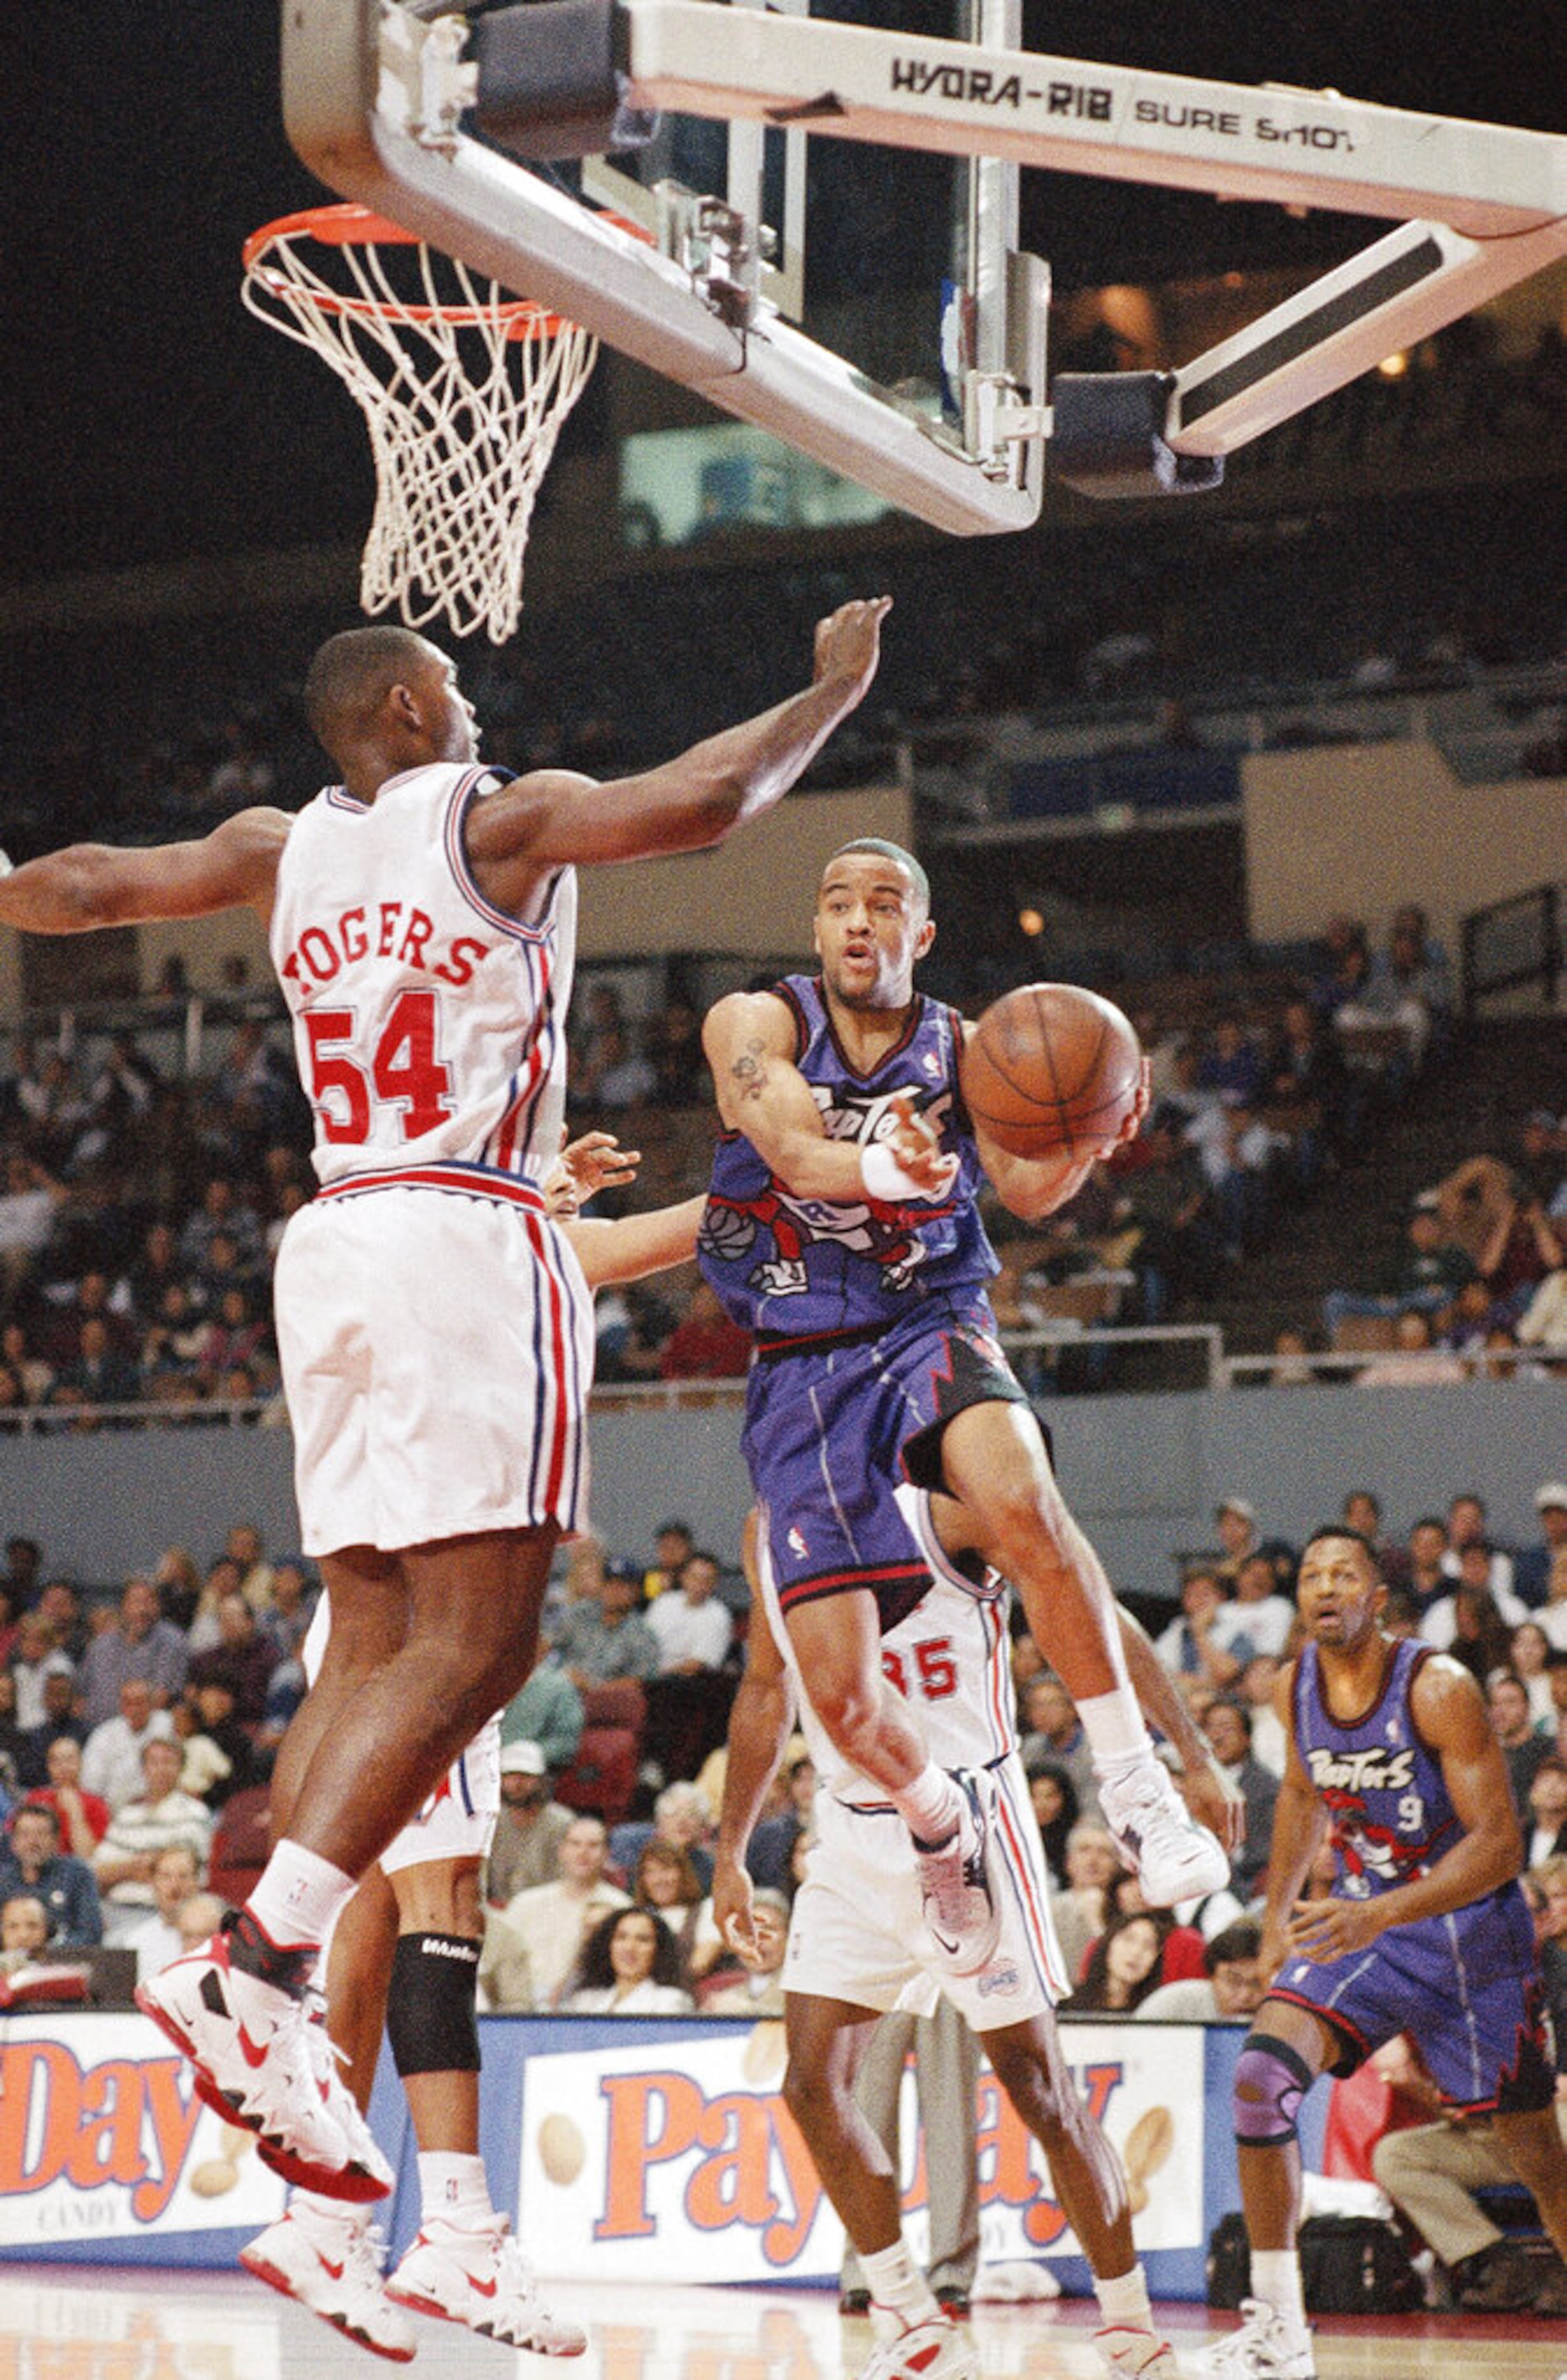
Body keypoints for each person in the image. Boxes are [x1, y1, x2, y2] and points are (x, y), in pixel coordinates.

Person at [0, 602, 894, 2196]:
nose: (478, 704)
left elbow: (84, 887)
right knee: (485, 1641)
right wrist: (827, 694)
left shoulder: (277, 846)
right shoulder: (499, 818)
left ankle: (264, 1988)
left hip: (329, 1236)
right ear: (413, 707)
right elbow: (707, 803)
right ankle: (254, 1962)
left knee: (369, 1627)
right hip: (464, 1227)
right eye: (460, 686)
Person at [697, 839, 1225, 1979]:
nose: (856, 921)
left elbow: (1029, 1188)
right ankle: (941, 1825)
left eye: (884, 904)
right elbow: (787, 1143)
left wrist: (1087, 1135)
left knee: (1023, 1495)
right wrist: (890, 1164)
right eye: (837, 900)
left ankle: (1134, 1785)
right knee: (837, 1697)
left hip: (925, 1319)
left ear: (919, 936)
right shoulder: (756, 1023)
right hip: (799, 1360)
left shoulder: (977, 1047)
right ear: (817, 923)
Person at [244, 1154, 707, 2351]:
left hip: (379, 1627)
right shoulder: (490, 1249)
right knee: (432, 1909)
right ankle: (448, 2229)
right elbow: (644, 1244)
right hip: (426, 1638)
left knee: (378, 1927)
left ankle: (326, 2221)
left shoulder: (414, 1241)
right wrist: (790, 1176)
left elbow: (618, 1246)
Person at [717, 1485, 1240, 2380]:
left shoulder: (946, 1502)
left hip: (971, 1817)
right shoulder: (772, 1522)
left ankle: (1132, 2332)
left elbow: (1094, 1614)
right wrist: (731, 1850)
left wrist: (1192, 1751)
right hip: (849, 1829)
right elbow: (767, 1689)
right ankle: (912, 2321)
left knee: (1038, 2089)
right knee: (811, 2082)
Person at [1203, 1525, 1567, 2380]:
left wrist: (1384, 1911)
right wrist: (1280, 1912)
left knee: (1539, 2156)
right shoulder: (1295, 1685)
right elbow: (1299, 1792)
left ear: (1377, 1597)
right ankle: (1279, 2325)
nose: (1328, 1587)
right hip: (1370, 1931)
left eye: (1347, 1575)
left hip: (1477, 1943)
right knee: (1260, 2084)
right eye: (1315, 1576)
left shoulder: (1438, 1687)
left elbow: (1501, 1846)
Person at [562, 1904, 695, 2014]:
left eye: (643, 1940)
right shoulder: (585, 2000)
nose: (630, 1948)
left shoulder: (672, 2001)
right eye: (621, 1938)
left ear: (659, 1950)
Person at [1134, 1919, 1265, 2023]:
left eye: (1257, 1984)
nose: (1245, 1995)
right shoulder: (1174, 2003)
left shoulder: (1281, 2011)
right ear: (1212, 1978)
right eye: (1234, 1982)